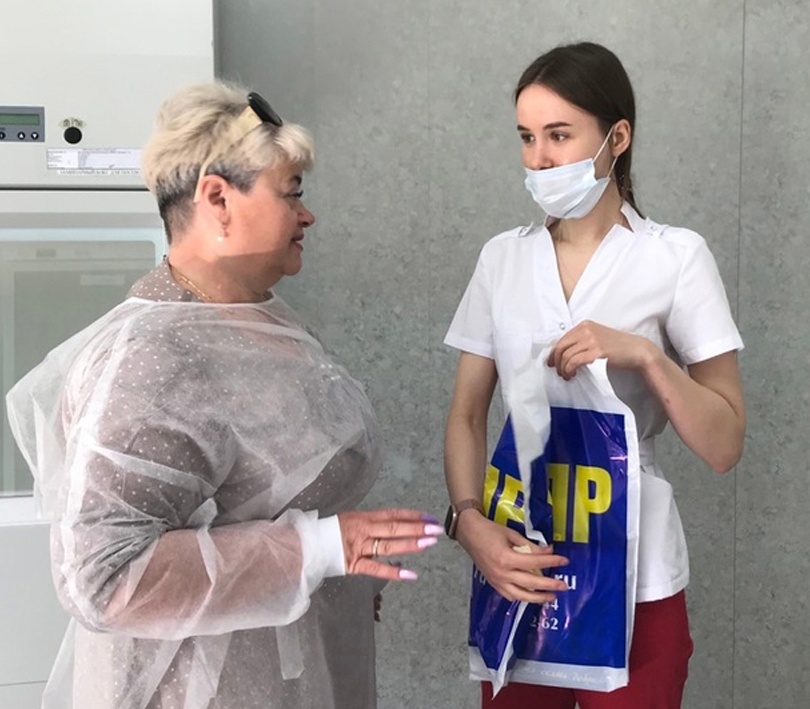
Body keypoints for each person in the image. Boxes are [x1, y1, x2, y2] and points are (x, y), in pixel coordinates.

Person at [6, 82, 442, 709]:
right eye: (291, 192)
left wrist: (336, 570)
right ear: (217, 198)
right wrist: (322, 549)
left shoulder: (254, 317)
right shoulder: (152, 359)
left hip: (289, 670)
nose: (307, 215)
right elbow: (102, 578)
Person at [443, 42, 745, 709]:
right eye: (527, 137)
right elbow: (466, 413)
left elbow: (725, 444)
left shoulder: (675, 258)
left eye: (559, 135)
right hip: (522, 560)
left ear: (617, 138)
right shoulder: (502, 259)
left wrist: (646, 356)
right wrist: (468, 522)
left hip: (636, 573)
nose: (539, 158)